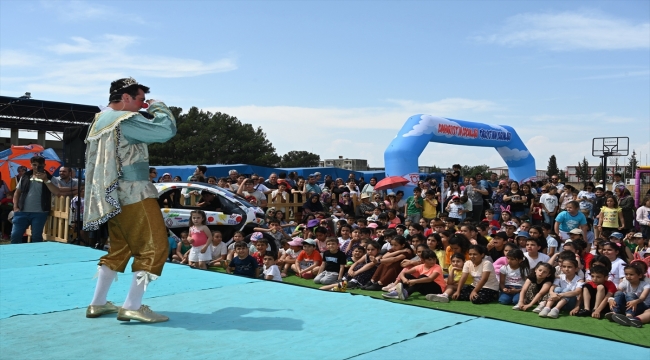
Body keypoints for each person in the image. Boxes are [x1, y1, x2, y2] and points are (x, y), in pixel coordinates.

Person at [84, 77, 176, 323]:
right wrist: (160, 107)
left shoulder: (99, 120)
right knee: (155, 247)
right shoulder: (123, 120)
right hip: (134, 191)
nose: (142, 105)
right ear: (125, 98)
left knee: (120, 248)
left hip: (112, 193)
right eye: (140, 100)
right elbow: (165, 131)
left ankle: (98, 303)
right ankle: (132, 305)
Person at [11, 155, 62, 244]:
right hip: (21, 212)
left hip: (40, 213)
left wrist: (46, 180)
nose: (36, 167)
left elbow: (57, 192)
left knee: (36, 237)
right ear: (30, 165)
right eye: (34, 164)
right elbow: (17, 192)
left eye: (39, 165)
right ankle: (15, 256)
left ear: (44, 165)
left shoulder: (50, 178)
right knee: (15, 236)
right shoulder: (25, 176)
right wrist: (15, 207)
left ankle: (36, 256)